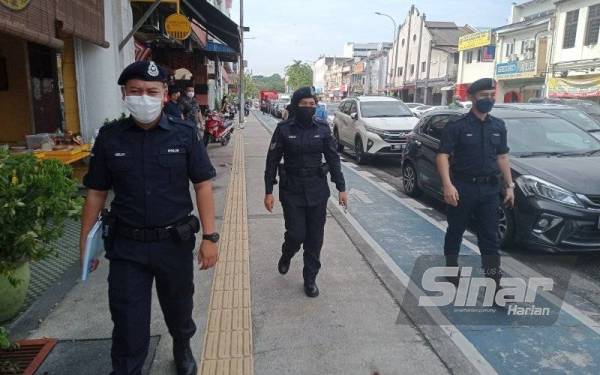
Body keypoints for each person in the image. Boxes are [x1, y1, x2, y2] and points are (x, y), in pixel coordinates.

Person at [79, 60, 220, 375]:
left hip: (174, 243)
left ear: (164, 94)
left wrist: (211, 238)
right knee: (128, 323)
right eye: (136, 91)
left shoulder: (184, 135)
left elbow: (203, 185)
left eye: (151, 91)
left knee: (180, 309)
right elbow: (96, 193)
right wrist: (85, 245)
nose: (144, 97)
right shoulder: (110, 137)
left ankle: (182, 347)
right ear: (124, 95)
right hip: (127, 247)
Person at [264, 87, 348, 298]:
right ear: (295, 105)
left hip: (317, 189)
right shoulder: (283, 129)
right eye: (304, 104)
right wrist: (268, 191)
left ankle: (310, 279)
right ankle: (287, 253)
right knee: (296, 234)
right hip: (291, 189)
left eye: (312, 104)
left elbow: (333, 159)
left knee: (315, 238)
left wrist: (341, 187)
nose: (309, 108)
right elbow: (272, 160)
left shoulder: (322, 129)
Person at [436, 78, 515, 300]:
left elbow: (502, 156)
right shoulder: (457, 126)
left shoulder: (498, 126)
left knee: (490, 237)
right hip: (462, 188)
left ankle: (494, 284)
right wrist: (447, 184)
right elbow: (442, 155)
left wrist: (509, 186)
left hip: (489, 190)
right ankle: (452, 272)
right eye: (483, 96)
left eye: (492, 95)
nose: (488, 99)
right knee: (455, 231)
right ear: (472, 97)